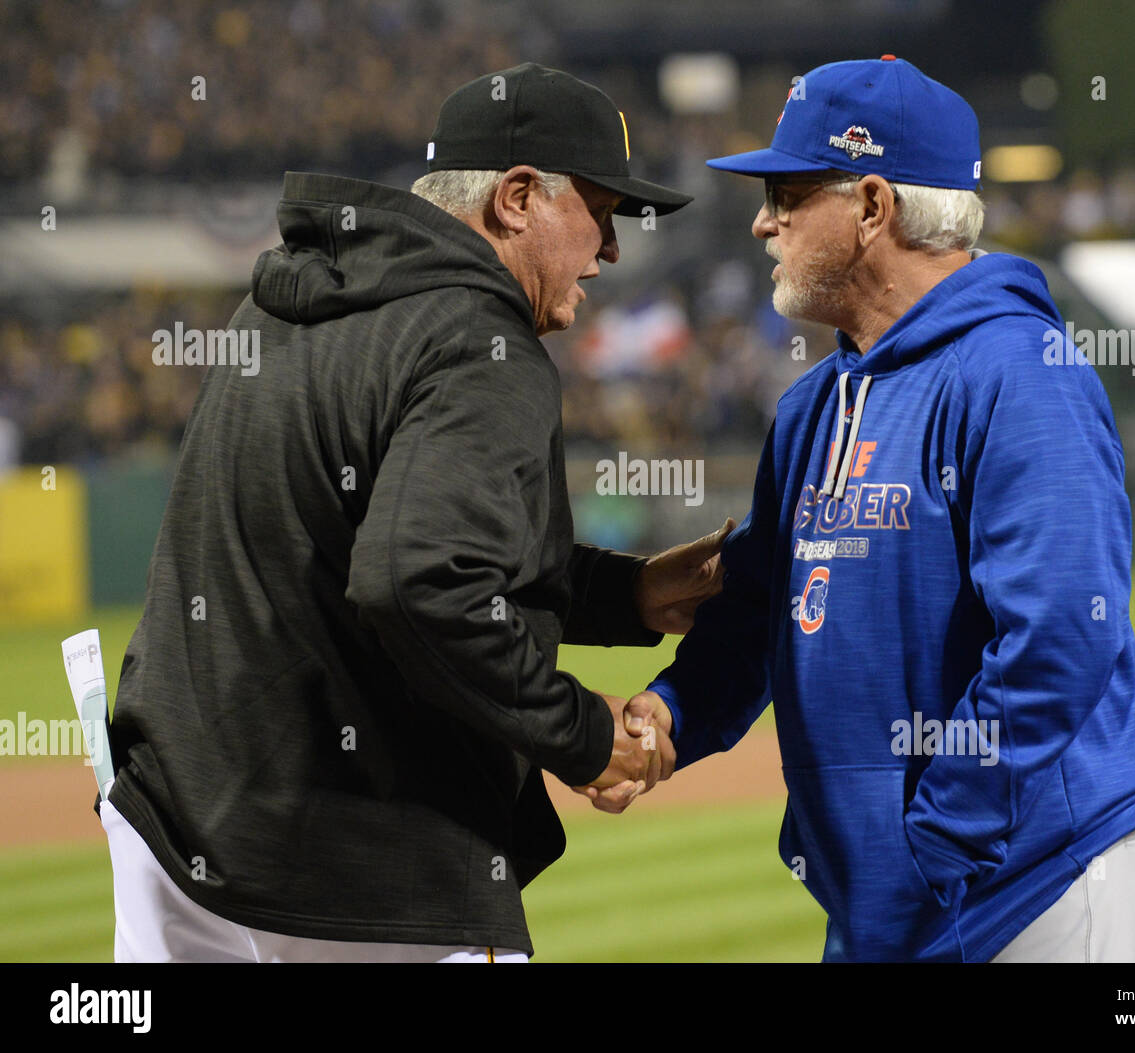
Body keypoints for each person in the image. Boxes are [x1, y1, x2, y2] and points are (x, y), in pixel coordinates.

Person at [99, 62, 715, 963]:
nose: (612, 247)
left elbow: (372, 535)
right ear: (516, 198)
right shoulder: (479, 341)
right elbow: (417, 581)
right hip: (363, 882)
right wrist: (582, 737)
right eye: (602, 208)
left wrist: (628, 596)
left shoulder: (285, 307)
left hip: (178, 849)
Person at [601, 57, 1135, 962]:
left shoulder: (1020, 373)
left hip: (1029, 884)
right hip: (893, 902)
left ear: (873, 207)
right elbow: (756, 612)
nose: (761, 221)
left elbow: (1059, 636)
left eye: (787, 193)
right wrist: (673, 711)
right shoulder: (812, 408)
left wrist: (936, 842)